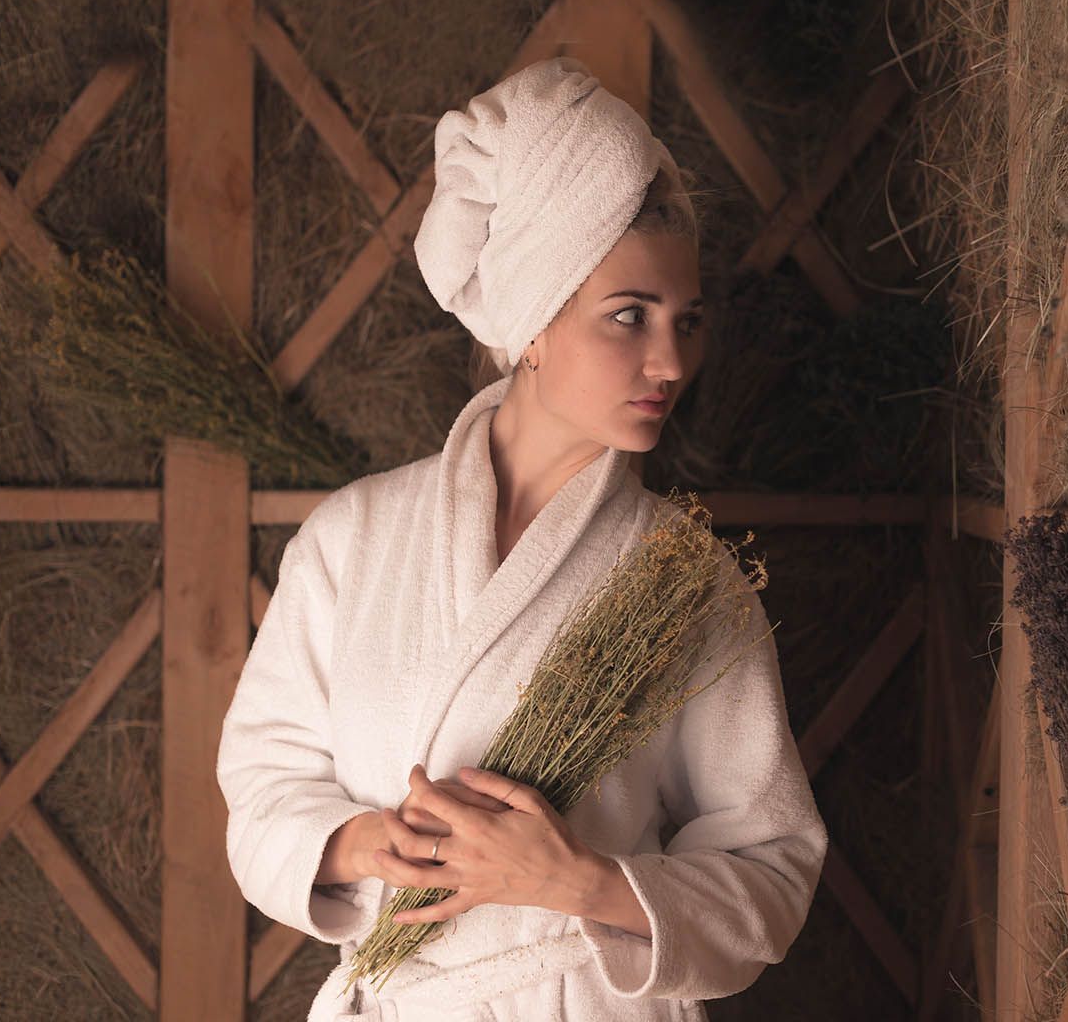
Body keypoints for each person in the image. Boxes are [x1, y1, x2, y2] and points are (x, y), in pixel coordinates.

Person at [217, 56, 827, 1022]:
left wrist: (575, 881)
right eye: (627, 317)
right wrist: (356, 845)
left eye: (687, 321)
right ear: (532, 323)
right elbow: (260, 793)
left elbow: (773, 877)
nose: (669, 362)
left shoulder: (684, 584)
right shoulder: (351, 541)